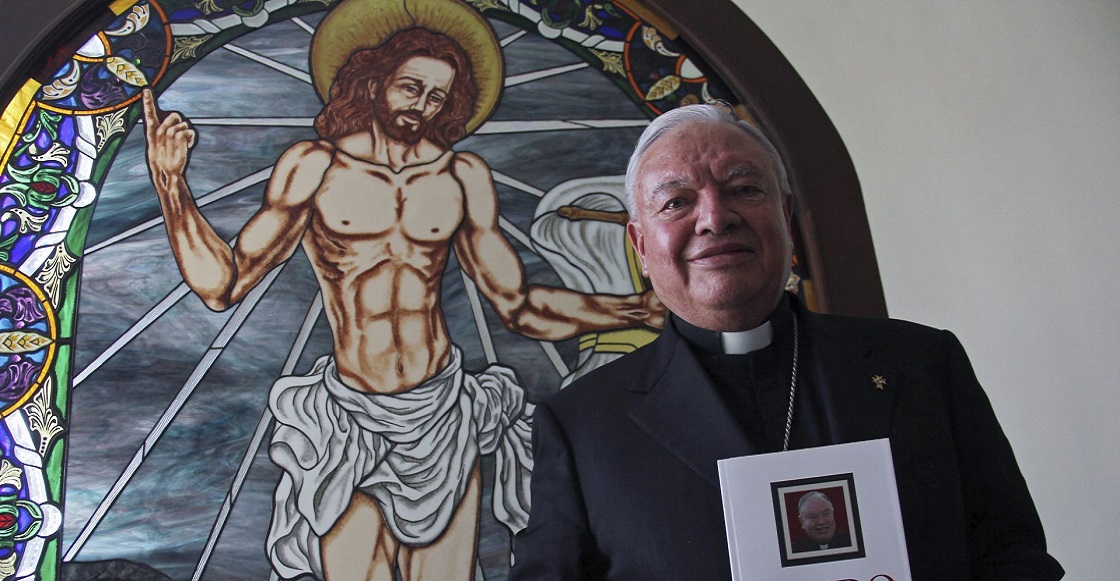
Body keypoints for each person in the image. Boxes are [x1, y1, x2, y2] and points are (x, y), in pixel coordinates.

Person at [142, 19, 660, 581]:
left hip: (441, 419)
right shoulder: (315, 166)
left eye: (438, 96)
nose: (423, 106)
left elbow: (520, 305)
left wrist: (638, 310)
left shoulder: (461, 175)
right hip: (347, 423)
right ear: (374, 82)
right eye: (411, 87)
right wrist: (172, 185)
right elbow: (224, 284)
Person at [508, 103, 1064, 580]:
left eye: (744, 189)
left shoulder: (921, 365)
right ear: (640, 248)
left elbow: (1012, 554)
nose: (714, 218)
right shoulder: (582, 427)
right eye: (676, 202)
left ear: (787, 218)